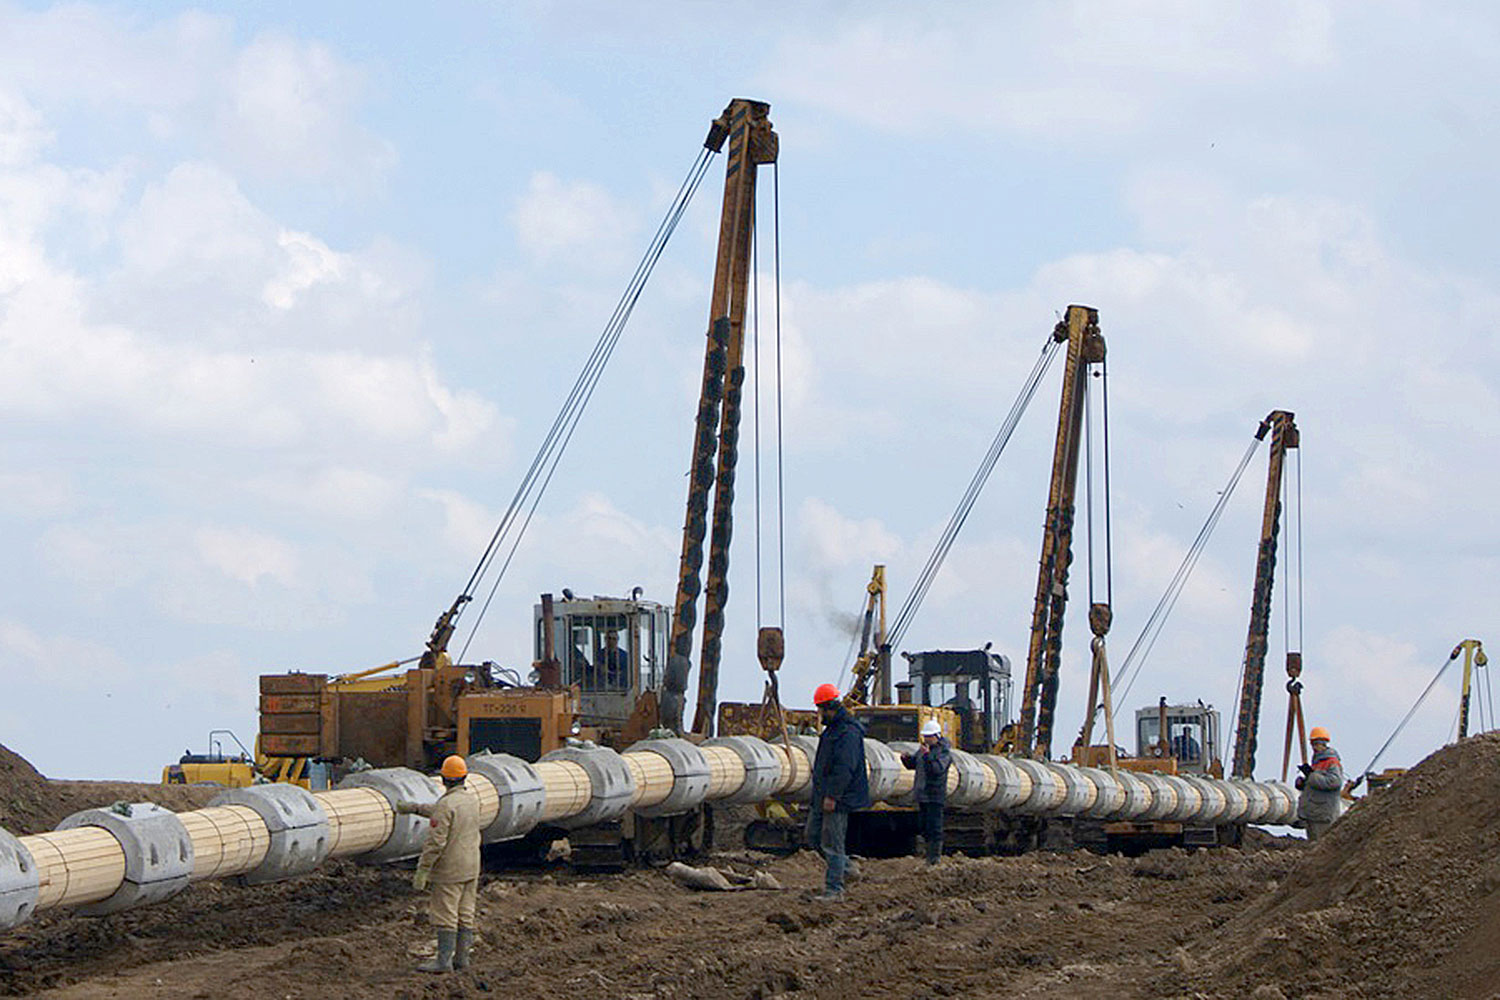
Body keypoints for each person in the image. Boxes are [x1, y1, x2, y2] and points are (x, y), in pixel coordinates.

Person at [397, 755, 482, 973]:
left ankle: (443, 961)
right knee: (465, 912)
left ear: (444, 779)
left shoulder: (446, 804)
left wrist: (423, 869)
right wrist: (415, 808)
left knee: (446, 914)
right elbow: (444, 812)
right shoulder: (471, 800)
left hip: (449, 869)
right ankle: (462, 959)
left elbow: (435, 842)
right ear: (464, 777)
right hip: (471, 866)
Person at [807, 683, 870, 901]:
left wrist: (833, 796)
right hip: (823, 794)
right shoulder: (834, 730)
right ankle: (847, 868)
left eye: (820, 709)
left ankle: (835, 890)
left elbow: (844, 768)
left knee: (832, 843)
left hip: (838, 797)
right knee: (813, 836)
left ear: (829, 708)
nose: (819, 714)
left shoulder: (848, 733)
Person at [900, 718, 951, 864]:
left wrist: (928, 756)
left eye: (929, 737)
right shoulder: (923, 750)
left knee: (935, 827)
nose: (926, 739)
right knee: (924, 826)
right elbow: (914, 765)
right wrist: (906, 759)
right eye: (925, 737)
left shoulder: (943, 752)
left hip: (935, 795)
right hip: (923, 795)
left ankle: (934, 858)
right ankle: (927, 856)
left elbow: (937, 770)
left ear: (937, 736)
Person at [1295, 725, 1344, 841]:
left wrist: (1312, 777)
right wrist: (1303, 782)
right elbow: (1316, 781)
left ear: (1323, 744)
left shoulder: (1331, 762)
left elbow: (1334, 782)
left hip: (1323, 813)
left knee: (1320, 844)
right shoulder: (1317, 761)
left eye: (1316, 744)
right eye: (1313, 744)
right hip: (1314, 812)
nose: (1314, 747)